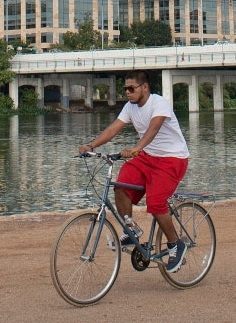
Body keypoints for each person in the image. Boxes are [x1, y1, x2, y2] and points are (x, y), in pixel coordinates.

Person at [78, 70, 191, 274]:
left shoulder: (159, 103)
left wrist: (137, 148)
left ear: (144, 87)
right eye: (125, 89)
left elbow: (154, 128)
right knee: (120, 186)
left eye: (131, 88)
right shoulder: (130, 107)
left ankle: (175, 244)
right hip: (147, 157)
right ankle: (131, 228)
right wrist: (91, 145)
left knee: (156, 203)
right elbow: (114, 128)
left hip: (172, 159)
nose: (128, 93)